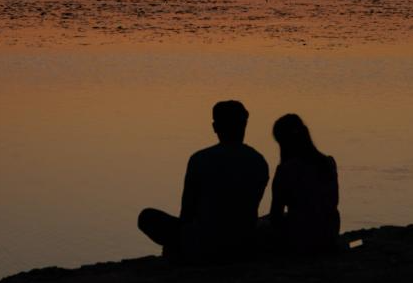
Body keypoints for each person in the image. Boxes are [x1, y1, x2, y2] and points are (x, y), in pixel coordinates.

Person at [138, 100, 269, 262]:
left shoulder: (200, 159)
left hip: (203, 245)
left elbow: (187, 211)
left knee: (147, 217)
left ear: (215, 128)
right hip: (243, 245)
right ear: (244, 125)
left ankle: (180, 250)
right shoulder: (258, 161)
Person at [268, 113, 340, 255]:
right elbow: (332, 201)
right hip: (329, 233)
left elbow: (276, 213)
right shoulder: (329, 163)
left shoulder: (286, 170)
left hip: (301, 239)